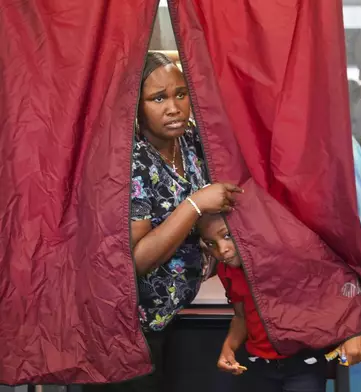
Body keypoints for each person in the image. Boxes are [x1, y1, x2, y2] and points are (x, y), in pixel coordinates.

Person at [85, 52, 242, 392]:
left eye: (181, 94)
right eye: (158, 98)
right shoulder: (128, 161)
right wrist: (195, 206)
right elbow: (136, 262)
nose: (174, 108)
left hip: (170, 318)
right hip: (126, 332)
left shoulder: (192, 142)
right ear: (135, 106)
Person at [199, 213, 361, 392]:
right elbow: (241, 317)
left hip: (304, 363)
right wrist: (229, 347)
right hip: (257, 364)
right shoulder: (227, 271)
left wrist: (351, 330)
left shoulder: (285, 258)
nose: (222, 250)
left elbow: (333, 292)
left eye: (227, 236)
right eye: (211, 243)